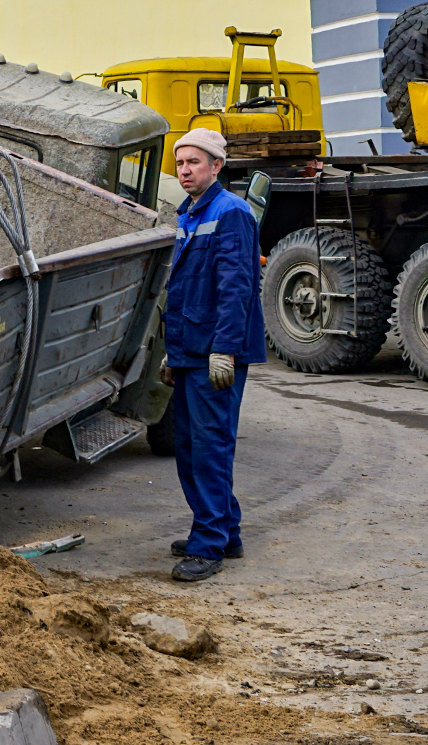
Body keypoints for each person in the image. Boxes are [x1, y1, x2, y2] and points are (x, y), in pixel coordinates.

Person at [159, 127, 264, 582]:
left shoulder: (231, 212)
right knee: (190, 446)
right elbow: (185, 292)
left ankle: (208, 546)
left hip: (215, 353)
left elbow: (236, 288)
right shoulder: (189, 213)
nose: (184, 171)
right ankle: (227, 531)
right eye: (180, 163)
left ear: (216, 166)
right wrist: (173, 353)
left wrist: (223, 349)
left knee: (209, 448)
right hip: (191, 350)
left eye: (194, 163)